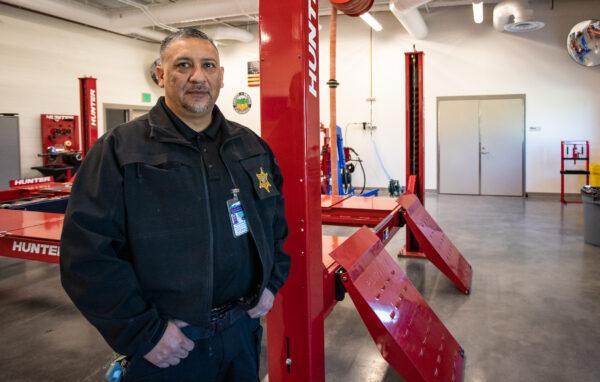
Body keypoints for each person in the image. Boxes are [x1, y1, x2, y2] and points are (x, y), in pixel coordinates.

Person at [60, 28, 290, 382]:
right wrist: (144, 333)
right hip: (170, 346)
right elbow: (86, 255)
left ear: (221, 76)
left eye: (208, 65)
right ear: (160, 74)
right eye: (183, 65)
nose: (198, 76)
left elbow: (274, 225)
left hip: (241, 332)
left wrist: (270, 284)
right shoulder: (120, 151)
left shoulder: (250, 147)